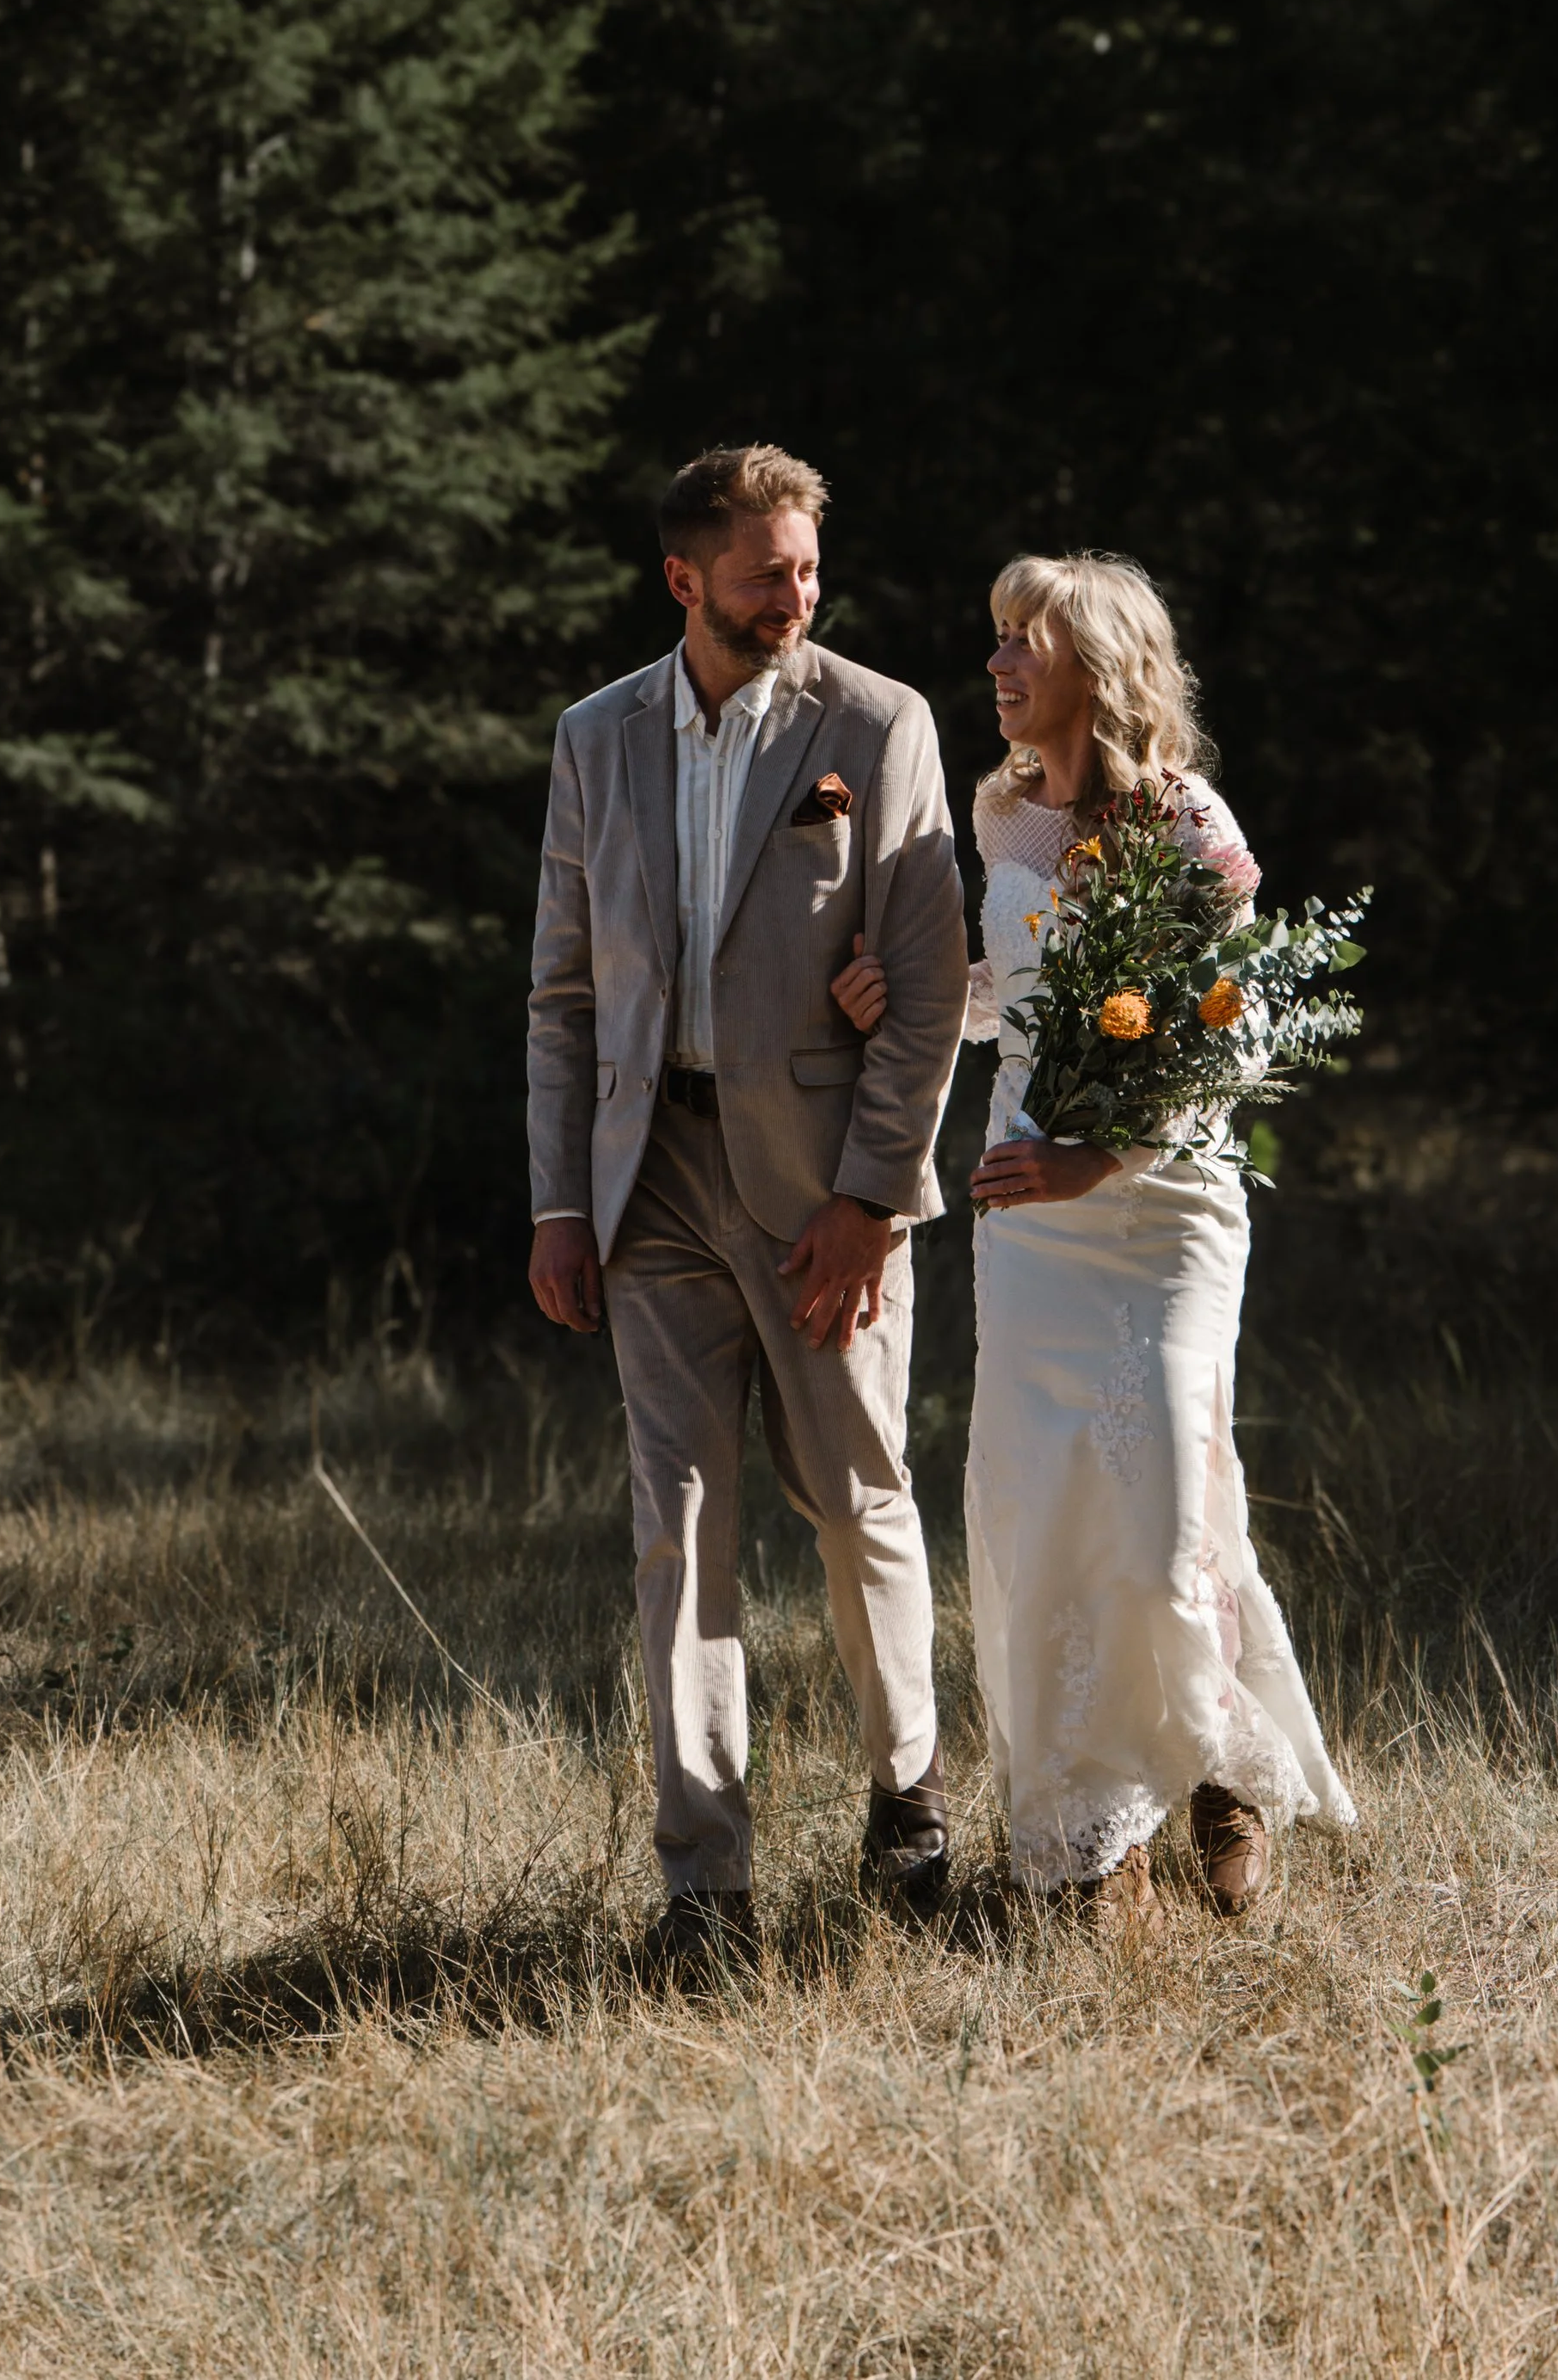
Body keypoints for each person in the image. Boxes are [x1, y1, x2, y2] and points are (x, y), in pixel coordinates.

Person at [830, 552, 1356, 1924]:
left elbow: (1233, 1031)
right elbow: (1012, 996)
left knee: (1167, 1496)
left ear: (1097, 665)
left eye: (1026, 640)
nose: (997, 663)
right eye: (996, 635)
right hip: (1028, 1218)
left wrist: (1101, 1155)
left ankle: (1220, 1770)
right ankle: (1085, 1835)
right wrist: (912, 995)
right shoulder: (1001, 812)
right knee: (1048, 1506)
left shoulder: (1186, 820)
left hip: (1164, 1209)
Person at [527, 445, 970, 1978]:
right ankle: (705, 1889)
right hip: (648, 1178)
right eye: (768, 572)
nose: (799, 595)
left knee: (857, 1499)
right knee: (678, 1528)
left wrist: (872, 1200)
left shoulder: (880, 724)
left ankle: (908, 1802)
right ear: (684, 580)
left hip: (821, 1191)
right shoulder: (596, 735)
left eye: (810, 569)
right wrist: (559, 1200)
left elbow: (925, 992)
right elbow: (564, 991)